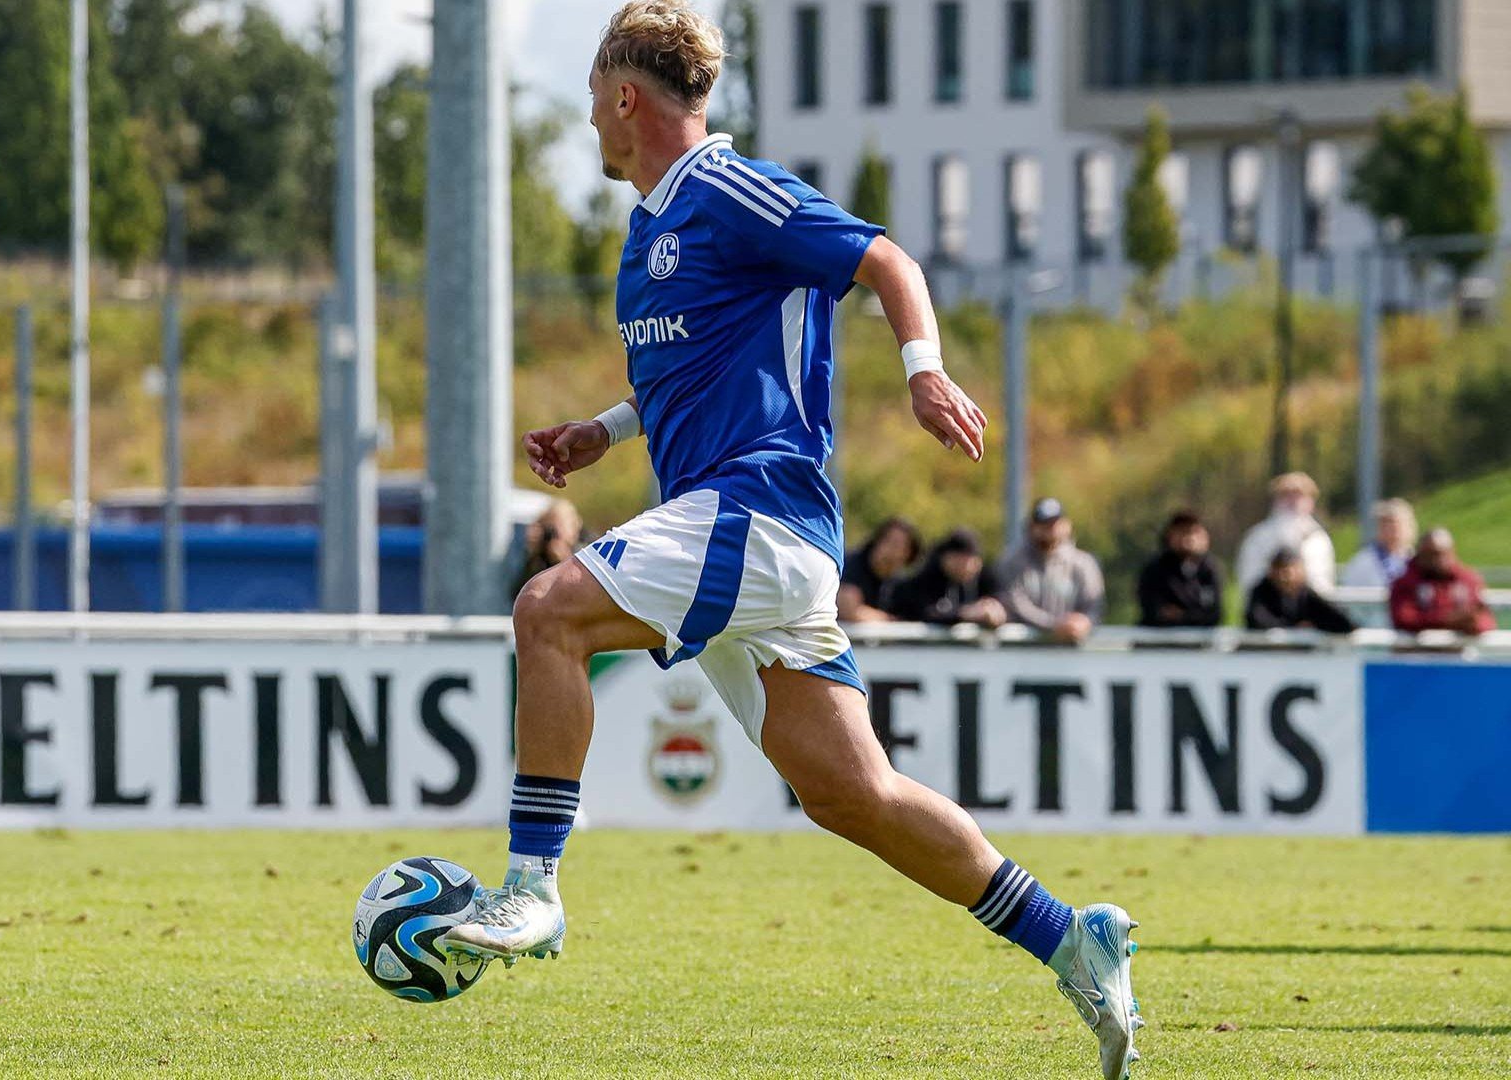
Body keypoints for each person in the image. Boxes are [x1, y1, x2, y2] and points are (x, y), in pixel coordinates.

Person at [441, 7, 1141, 1078]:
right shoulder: (650, 231)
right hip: (744, 534)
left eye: (592, 96)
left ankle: (531, 888)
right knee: (851, 795)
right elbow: (694, 369)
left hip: (760, 512)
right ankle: (1066, 935)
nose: (587, 120)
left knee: (548, 612)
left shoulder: (729, 188)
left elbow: (885, 258)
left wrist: (921, 367)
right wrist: (607, 430)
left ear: (625, 97)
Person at [994, 498, 1105, 644]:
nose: (1050, 529)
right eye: (1044, 524)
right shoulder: (1011, 561)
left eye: (1055, 523)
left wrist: (1084, 622)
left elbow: (1093, 605)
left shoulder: (1083, 563)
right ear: (1031, 526)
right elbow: (1015, 603)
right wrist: (1054, 625)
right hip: (1022, 650)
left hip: (1071, 653)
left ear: (1067, 525)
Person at [1235, 472, 1335, 595]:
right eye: (1286, 495)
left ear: (1311, 501)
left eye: (1299, 495)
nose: (1293, 501)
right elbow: (1250, 581)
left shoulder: (1318, 539)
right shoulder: (1258, 537)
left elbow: (1322, 584)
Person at [889, 529, 1006, 627]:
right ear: (946, 558)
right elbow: (927, 612)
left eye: (970, 561)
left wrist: (994, 609)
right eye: (959, 561)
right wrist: (967, 614)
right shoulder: (925, 580)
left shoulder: (984, 578)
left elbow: (1001, 599)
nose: (966, 568)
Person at [1390, 528, 1497, 635]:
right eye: (1433, 553)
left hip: (1458, 650)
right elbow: (1404, 619)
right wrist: (1447, 620)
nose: (1440, 559)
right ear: (1420, 553)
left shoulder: (1467, 579)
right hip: (1419, 650)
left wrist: (1474, 624)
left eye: (1445, 553)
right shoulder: (1406, 581)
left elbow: (1487, 620)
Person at [1136, 511, 1223, 628]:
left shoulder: (1209, 569)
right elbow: (1155, 612)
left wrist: (1184, 615)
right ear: (1169, 535)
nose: (1188, 538)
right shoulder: (1156, 569)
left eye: (1193, 532)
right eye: (1182, 532)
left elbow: (1213, 614)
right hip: (1160, 642)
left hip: (1200, 642)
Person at [1245, 548, 1355, 633]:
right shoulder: (1261, 593)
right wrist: (1294, 628)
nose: (1283, 578)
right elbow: (1258, 621)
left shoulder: (1304, 594)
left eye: (1287, 573)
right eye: (1279, 572)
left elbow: (1339, 620)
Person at [837, 516, 922, 622]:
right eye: (889, 541)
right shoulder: (851, 565)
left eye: (899, 546)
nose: (891, 550)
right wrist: (892, 622)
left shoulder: (898, 582)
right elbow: (849, 610)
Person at [514, 500, 589, 599]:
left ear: (574, 525)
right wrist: (534, 552)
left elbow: (586, 590)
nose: (553, 533)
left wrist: (564, 560)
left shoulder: (587, 550)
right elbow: (521, 593)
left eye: (559, 525)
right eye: (549, 526)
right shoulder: (541, 556)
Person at [1340, 498, 1417, 589]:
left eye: (1400, 524)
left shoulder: (1417, 560)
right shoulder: (1363, 562)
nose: (1395, 530)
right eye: (1387, 524)